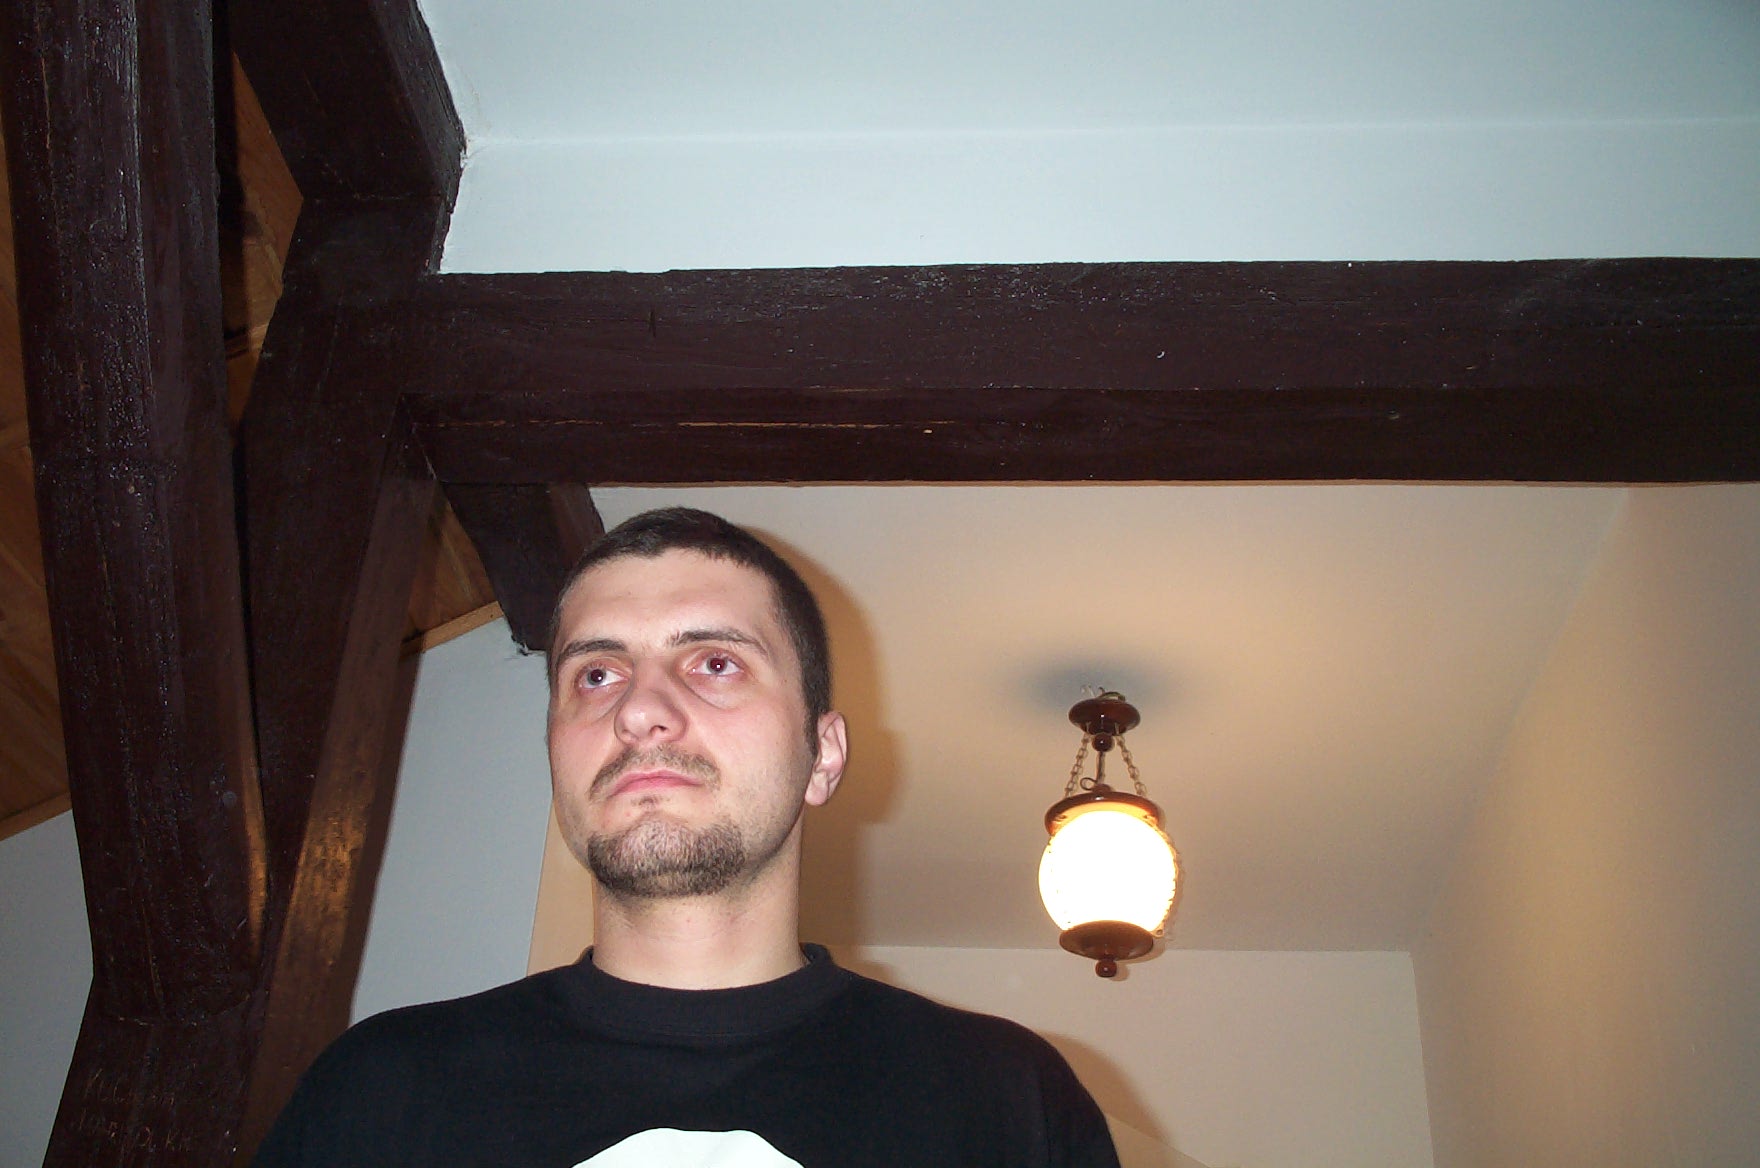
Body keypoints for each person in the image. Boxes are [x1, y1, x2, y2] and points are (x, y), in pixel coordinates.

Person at [254, 507, 1120, 1167]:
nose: (638, 710)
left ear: (822, 755)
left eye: (715, 663)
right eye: (597, 673)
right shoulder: (380, 1093)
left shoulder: (1008, 1105)